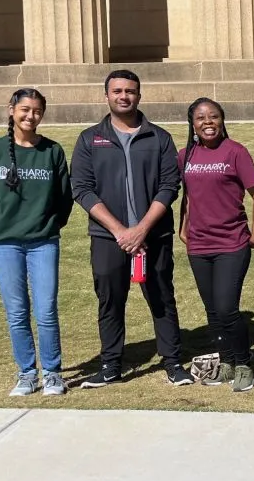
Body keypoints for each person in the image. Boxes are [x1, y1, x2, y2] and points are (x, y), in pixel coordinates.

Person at [70, 70, 193, 388]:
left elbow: (169, 186)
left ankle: (173, 363)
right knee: (110, 299)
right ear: (106, 95)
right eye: (117, 91)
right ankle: (111, 365)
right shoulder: (89, 139)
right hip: (107, 238)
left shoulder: (159, 137)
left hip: (154, 235)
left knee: (162, 298)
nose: (124, 96)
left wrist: (141, 229)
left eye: (130, 91)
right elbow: (82, 189)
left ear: (139, 95)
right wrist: (120, 231)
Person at [0, 88, 73, 396]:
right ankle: (27, 373)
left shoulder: (52, 151)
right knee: (16, 312)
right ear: (11, 110)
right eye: (25, 109)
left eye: (37, 110)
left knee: (46, 310)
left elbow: (64, 199)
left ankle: (52, 372)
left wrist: (48, 224)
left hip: (43, 242)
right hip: (3, 245)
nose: (31, 116)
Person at [178, 97, 254, 393]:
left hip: (232, 242)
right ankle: (226, 363)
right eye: (201, 118)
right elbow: (186, 195)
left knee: (227, 308)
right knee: (213, 310)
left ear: (222, 120)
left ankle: (243, 365)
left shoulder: (235, 152)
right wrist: (183, 226)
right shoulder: (186, 155)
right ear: (192, 124)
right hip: (199, 245)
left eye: (213, 116)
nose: (208, 123)